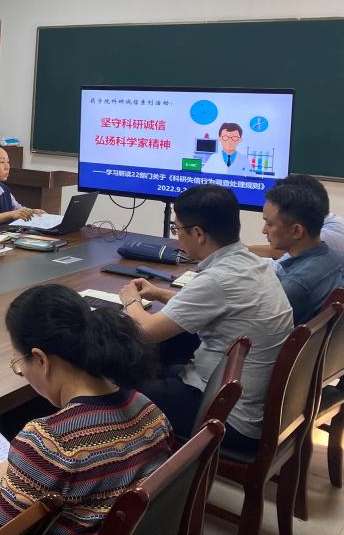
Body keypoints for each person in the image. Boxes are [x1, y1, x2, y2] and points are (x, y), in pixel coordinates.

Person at [0, 284, 172, 535]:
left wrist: (1, 476)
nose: (21, 372)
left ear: (41, 359)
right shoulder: (147, 408)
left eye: (19, 363)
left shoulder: (49, 441)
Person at [119, 184, 293, 456]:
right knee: (156, 359)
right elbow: (215, 303)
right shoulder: (251, 263)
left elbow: (147, 331)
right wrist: (160, 293)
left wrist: (131, 300)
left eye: (177, 229)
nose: (177, 237)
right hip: (246, 400)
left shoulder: (217, 279)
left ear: (198, 234)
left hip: (226, 415)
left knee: (114, 390)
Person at [262, 176, 344, 325]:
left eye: (269, 224)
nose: (264, 230)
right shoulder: (338, 260)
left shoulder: (293, 287)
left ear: (297, 231)